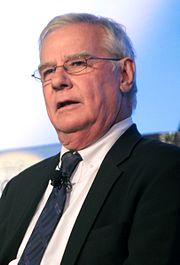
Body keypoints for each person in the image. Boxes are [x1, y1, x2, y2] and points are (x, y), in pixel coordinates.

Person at [0, 13, 180, 265]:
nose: (58, 81)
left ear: (125, 75)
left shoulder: (165, 171)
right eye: (48, 70)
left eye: (77, 64)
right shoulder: (18, 188)